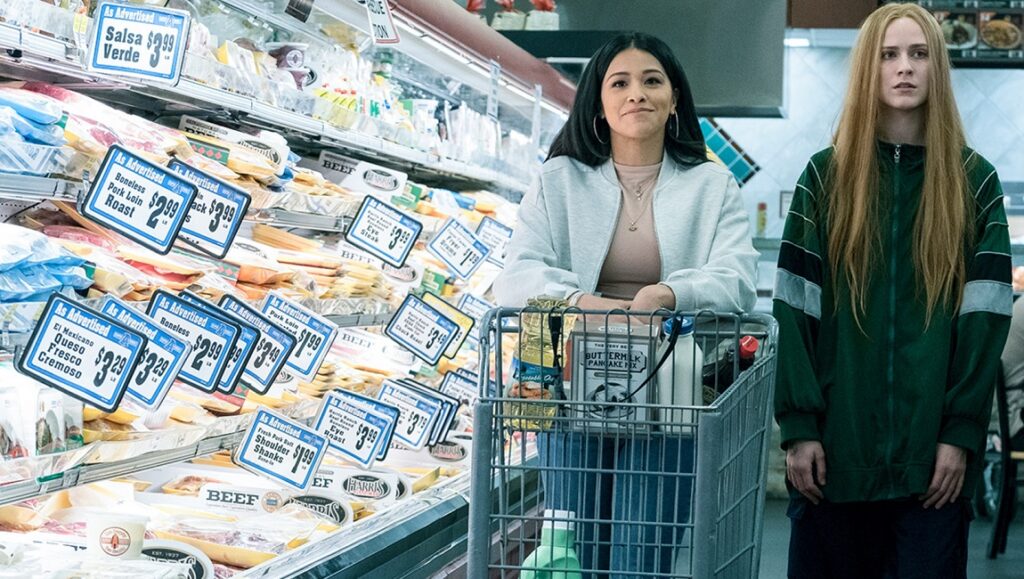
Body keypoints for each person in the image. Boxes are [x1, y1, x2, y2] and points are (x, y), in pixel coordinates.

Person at [494, 31, 757, 577]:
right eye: (620, 82)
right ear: (599, 101)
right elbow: (515, 276)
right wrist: (580, 302)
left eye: (652, 80)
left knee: (644, 554)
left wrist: (667, 294)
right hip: (566, 391)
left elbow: (737, 280)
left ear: (675, 98)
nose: (636, 93)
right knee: (571, 553)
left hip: (670, 394)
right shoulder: (558, 180)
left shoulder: (713, 185)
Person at [773, 4, 1012, 578]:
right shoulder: (823, 178)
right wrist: (799, 428)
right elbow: (793, 310)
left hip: (931, 469)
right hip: (834, 461)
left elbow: (985, 319)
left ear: (937, 68)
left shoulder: (974, 183)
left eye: (919, 53)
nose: (904, 68)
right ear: (868, 70)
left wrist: (959, 435)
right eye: (888, 54)